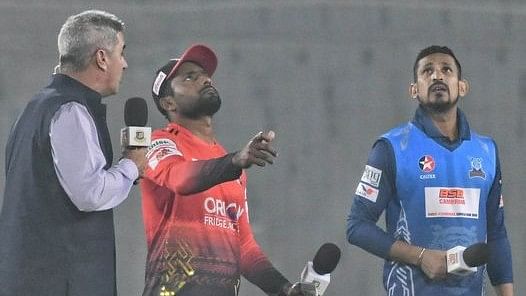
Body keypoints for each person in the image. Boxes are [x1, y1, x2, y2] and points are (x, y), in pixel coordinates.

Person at [141, 44, 311, 296]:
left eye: (206, 75)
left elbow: (243, 246)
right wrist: (233, 162)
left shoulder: (232, 167)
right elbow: (178, 178)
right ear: (168, 102)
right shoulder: (159, 142)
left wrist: (284, 288)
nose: (206, 79)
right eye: (190, 77)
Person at [346, 45, 513, 295]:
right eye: (427, 71)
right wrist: (420, 256)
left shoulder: (486, 151)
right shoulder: (391, 148)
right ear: (414, 89)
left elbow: (496, 234)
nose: (437, 76)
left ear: (462, 86)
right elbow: (357, 226)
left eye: (446, 69)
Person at [0, 10, 146, 295]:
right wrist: (131, 165)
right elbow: (90, 193)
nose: (125, 64)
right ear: (101, 58)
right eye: (121, 52)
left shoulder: (35, 108)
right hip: (63, 283)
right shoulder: (70, 111)